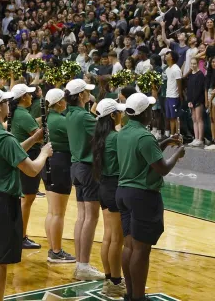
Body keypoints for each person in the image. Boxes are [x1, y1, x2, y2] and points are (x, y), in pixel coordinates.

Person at [0, 86, 53, 301]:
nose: (9, 105)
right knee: (0, 261)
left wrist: (34, 139)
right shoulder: (3, 138)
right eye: (6, 102)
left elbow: (11, 152)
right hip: (3, 203)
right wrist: (44, 154)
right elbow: (32, 169)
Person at [115, 92, 185, 301]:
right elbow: (162, 168)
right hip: (142, 196)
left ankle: (130, 294)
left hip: (123, 193)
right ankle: (139, 298)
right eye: (150, 110)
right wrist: (177, 154)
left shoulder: (124, 132)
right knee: (142, 249)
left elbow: (145, 152)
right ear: (145, 113)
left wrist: (165, 141)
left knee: (129, 245)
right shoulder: (144, 136)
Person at [64, 78, 105, 280]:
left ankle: (81, 263)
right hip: (88, 169)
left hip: (75, 167)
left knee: (82, 217)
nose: (89, 94)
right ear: (81, 95)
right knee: (91, 217)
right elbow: (104, 135)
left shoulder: (70, 114)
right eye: (87, 92)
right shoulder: (83, 117)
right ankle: (84, 265)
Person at [91, 98, 126, 298]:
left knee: (108, 236)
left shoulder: (99, 136)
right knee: (117, 239)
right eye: (119, 112)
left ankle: (108, 279)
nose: (122, 115)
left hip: (103, 187)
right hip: (114, 188)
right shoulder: (116, 137)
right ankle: (115, 282)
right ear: (113, 116)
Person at [6, 84, 44, 250]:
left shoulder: (17, 113)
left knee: (25, 198)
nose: (31, 97)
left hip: (23, 155)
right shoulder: (23, 114)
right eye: (29, 95)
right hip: (30, 155)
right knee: (27, 199)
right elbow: (39, 137)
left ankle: (18, 234)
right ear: (23, 98)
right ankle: (21, 236)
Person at [42, 87, 75, 264]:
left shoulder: (48, 118)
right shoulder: (61, 121)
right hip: (61, 164)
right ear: (60, 103)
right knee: (58, 213)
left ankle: (53, 248)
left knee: (52, 211)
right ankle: (56, 251)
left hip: (50, 163)